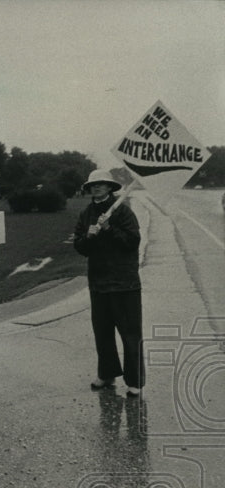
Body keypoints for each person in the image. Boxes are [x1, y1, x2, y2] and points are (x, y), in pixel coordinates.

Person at [73, 169, 143, 397]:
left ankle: (135, 381)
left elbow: (132, 242)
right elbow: (80, 247)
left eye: (101, 184)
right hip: (99, 282)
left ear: (110, 187)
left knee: (130, 333)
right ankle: (107, 373)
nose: (97, 188)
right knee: (102, 332)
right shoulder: (86, 214)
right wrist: (88, 237)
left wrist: (109, 229)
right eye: (93, 185)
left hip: (125, 283)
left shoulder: (123, 211)